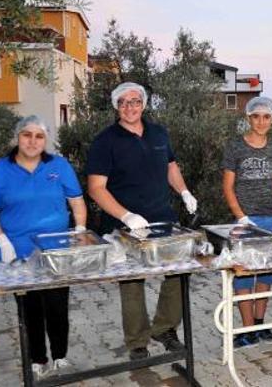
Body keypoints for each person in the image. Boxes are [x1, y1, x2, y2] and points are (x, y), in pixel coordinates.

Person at [86, 82, 199, 360]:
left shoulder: (159, 133)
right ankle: (137, 341)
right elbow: (96, 187)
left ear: (144, 104)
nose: (130, 107)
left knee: (178, 270)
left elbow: (170, 166)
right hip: (124, 224)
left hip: (162, 218)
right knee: (132, 279)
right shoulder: (105, 141)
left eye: (135, 101)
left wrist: (184, 191)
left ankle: (165, 327)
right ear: (116, 107)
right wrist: (126, 215)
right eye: (123, 102)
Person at [0, 115, 87, 378]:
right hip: (18, 253)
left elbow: (77, 203)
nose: (32, 141)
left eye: (39, 136)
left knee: (58, 308)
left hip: (56, 252)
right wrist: (2, 242)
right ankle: (38, 360)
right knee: (31, 310)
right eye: (27, 135)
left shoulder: (59, 167)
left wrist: (80, 232)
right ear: (18, 137)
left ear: (45, 140)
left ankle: (61, 357)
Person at [221, 96, 272, 348]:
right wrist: (240, 216)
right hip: (246, 220)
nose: (261, 121)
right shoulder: (235, 147)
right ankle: (247, 330)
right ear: (248, 118)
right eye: (256, 116)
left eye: (266, 116)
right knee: (243, 274)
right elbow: (228, 186)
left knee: (266, 274)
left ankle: (260, 325)